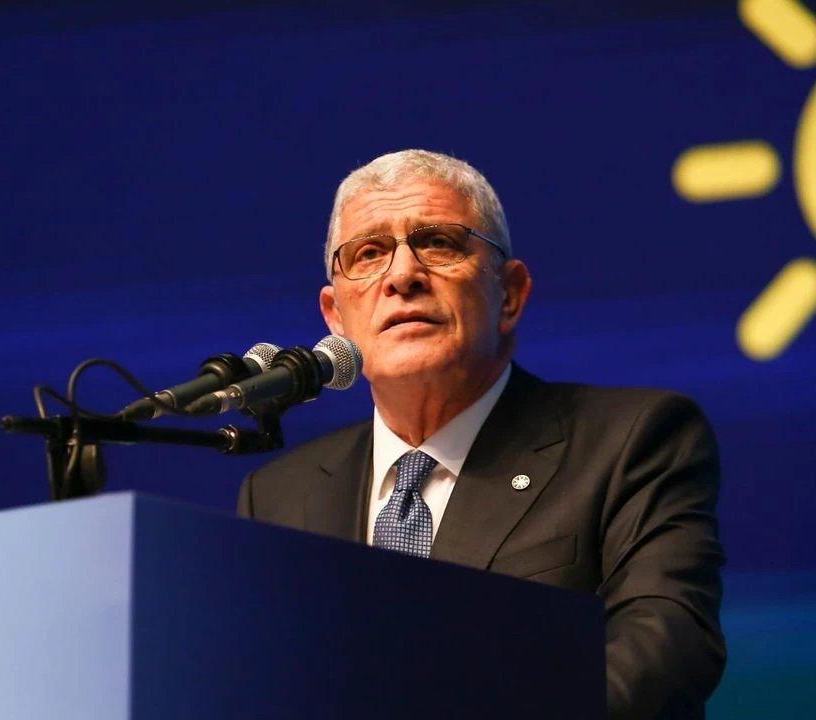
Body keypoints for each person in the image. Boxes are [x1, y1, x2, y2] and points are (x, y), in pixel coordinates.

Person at [238, 149, 725, 720]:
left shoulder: (629, 443)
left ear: (510, 294)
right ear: (335, 318)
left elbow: (662, 652)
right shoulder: (278, 498)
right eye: (369, 254)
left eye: (438, 243)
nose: (402, 275)